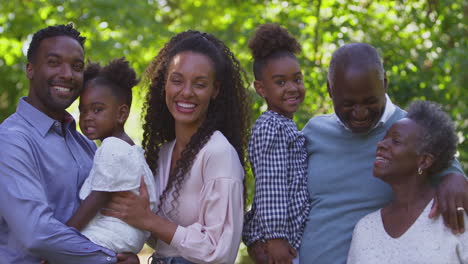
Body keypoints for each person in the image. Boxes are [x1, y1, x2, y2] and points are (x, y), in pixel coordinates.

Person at [296, 42, 467, 263]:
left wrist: (456, 176)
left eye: (369, 101)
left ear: (384, 84)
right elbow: (281, 188)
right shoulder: (313, 132)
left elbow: (450, 173)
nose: (360, 113)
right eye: (348, 104)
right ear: (330, 89)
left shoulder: (411, 132)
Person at [101, 30, 251, 264]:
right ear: (165, 84)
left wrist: (150, 220)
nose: (186, 92)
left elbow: (219, 251)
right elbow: (162, 239)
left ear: (215, 90)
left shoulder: (218, 153)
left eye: (200, 84)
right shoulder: (163, 154)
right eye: (177, 80)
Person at [0, 24, 138, 264]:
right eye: (54, 62)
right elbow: (37, 234)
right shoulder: (11, 140)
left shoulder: (85, 144)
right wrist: (109, 259)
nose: (67, 74)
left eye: (76, 66)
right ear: (30, 69)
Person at [347, 100, 467, 263]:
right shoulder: (365, 229)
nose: (381, 144)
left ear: (424, 161)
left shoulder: (454, 215)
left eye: (395, 141)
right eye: (384, 138)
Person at [64, 58, 157, 254]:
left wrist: (63, 239)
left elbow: (96, 199)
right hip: (127, 239)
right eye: (83, 110)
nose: (88, 116)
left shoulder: (112, 147)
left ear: (121, 114)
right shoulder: (130, 149)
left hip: (108, 236)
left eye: (98, 110)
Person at [242, 23, 311, 264]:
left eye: (297, 79)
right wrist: (276, 238)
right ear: (261, 88)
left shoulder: (285, 124)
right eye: (280, 82)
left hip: (289, 238)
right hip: (280, 242)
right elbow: (271, 185)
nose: (292, 88)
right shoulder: (272, 127)